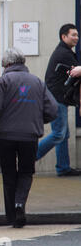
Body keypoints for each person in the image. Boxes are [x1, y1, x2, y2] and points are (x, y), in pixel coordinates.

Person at [0, 47, 58, 228]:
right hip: (30, 135)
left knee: (9, 173)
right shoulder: (37, 82)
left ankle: (12, 216)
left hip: (5, 136)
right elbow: (53, 110)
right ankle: (20, 204)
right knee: (26, 172)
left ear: (7, 64)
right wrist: (37, 120)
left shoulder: (3, 82)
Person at [36, 24, 80, 176]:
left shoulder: (65, 52)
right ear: (64, 37)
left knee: (63, 134)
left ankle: (63, 167)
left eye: (77, 35)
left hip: (58, 98)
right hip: (56, 99)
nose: (76, 38)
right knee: (58, 134)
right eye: (73, 35)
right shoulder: (63, 54)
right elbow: (77, 71)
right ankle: (27, 158)